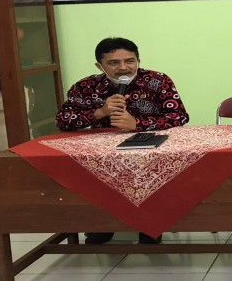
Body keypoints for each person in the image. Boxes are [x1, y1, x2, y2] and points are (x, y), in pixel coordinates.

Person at [55, 37, 189, 245]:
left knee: (153, 176)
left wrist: (137, 124)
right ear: (100, 66)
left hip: (151, 149)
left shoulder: (158, 80)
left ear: (138, 61)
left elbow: (179, 116)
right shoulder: (85, 86)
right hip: (104, 153)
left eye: (130, 61)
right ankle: (103, 224)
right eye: (113, 63)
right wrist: (99, 112)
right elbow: (63, 121)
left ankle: (150, 227)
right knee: (92, 177)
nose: (123, 68)